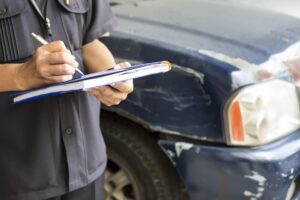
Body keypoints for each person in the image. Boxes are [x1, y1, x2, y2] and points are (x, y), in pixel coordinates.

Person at [0, 0, 133, 199]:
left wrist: (110, 76)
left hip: (87, 163)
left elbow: (87, 41)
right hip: (16, 176)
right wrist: (21, 75)